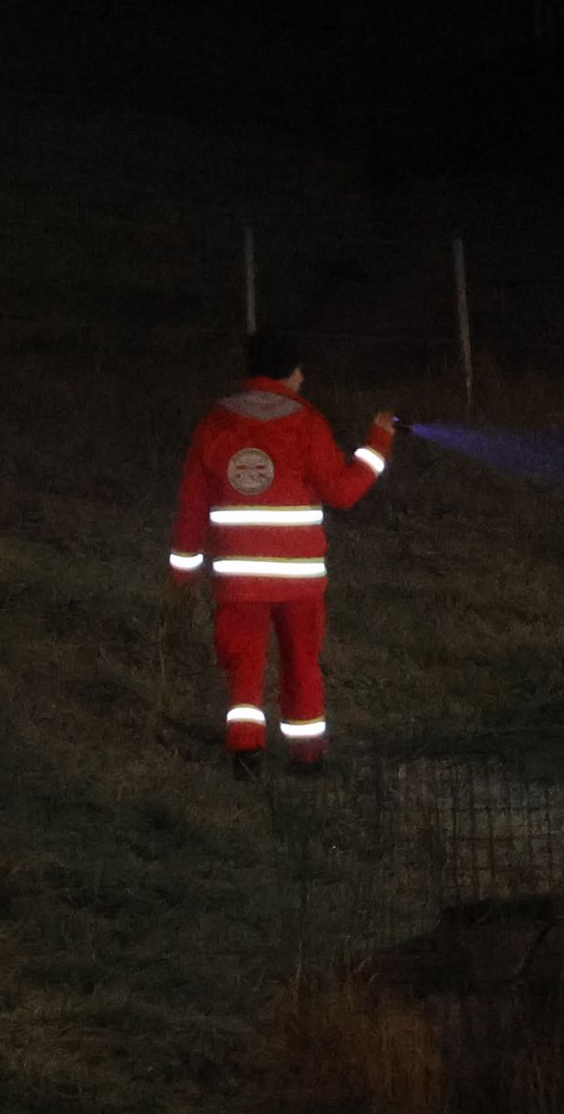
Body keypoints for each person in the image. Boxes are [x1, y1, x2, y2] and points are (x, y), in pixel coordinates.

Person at [166, 330, 396, 779]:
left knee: (243, 666)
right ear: (291, 372)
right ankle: (307, 757)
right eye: (301, 370)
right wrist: (378, 444)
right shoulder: (306, 422)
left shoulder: (215, 422)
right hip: (299, 579)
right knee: (302, 664)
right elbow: (343, 492)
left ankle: (245, 755)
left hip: (237, 579)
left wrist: (181, 572)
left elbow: (192, 504)